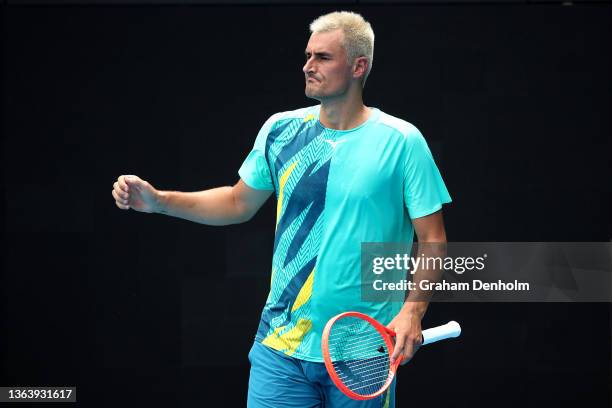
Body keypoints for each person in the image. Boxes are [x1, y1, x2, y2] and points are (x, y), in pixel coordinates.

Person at [111, 11, 451, 408]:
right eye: (307, 55)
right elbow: (237, 202)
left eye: (323, 57)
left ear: (359, 66)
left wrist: (413, 312)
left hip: (363, 351)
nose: (308, 65)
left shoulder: (402, 141)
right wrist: (159, 201)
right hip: (281, 345)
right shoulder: (281, 129)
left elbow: (433, 239)